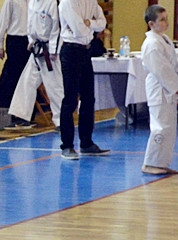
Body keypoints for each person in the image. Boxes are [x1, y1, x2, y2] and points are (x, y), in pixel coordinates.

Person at [57, 0, 110, 159]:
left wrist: (90, 23)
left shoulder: (91, 2)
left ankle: (86, 143)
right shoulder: (67, 3)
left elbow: (102, 23)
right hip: (70, 51)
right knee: (70, 99)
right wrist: (91, 25)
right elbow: (79, 30)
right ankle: (67, 145)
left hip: (86, 51)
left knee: (89, 98)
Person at [140, 5, 178, 175]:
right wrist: (176, 86)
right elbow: (162, 69)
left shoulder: (163, 39)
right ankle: (151, 163)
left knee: (168, 127)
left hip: (166, 88)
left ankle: (161, 162)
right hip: (160, 88)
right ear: (151, 23)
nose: (166, 23)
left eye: (167, 18)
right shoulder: (152, 43)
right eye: (162, 20)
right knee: (160, 126)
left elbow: (172, 65)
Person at [8, 0, 65, 131]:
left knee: (54, 86)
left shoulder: (51, 3)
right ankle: (21, 116)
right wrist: (31, 41)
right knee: (27, 81)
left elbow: (56, 28)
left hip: (50, 52)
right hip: (36, 48)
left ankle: (62, 121)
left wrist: (53, 50)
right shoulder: (33, 2)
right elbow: (30, 24)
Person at [0, 0, 32, 118]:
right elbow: (3, 20)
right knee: (11, 76)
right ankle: (2, 109)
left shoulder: (35, 2)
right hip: (15, 40)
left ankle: (23, 114)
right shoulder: (11, 1)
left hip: (29, 41)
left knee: (26, 78)